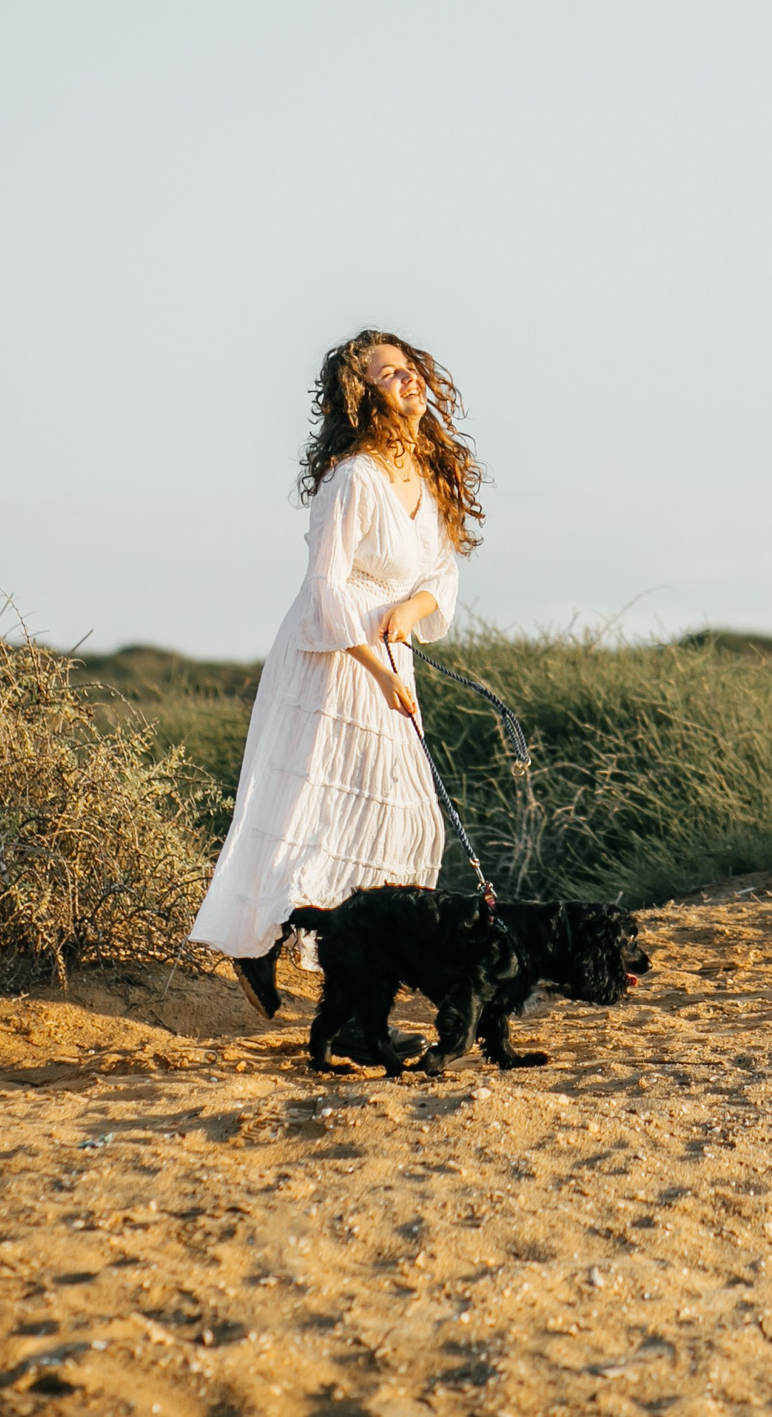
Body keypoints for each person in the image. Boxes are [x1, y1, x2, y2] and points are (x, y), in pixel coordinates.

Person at [189, 329, 481, 1043]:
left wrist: (409, 615)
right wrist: (378, 667)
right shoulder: (352, 478)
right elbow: (324, 588)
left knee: (405, 818)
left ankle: (351, 999)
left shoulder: (426, 471)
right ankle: (260, 941)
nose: (408, 381)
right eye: (389, 375)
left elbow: (440, 575)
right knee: (311, 807)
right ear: (363, 396)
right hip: (333, 657)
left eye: (411, 369)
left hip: (386, 648)